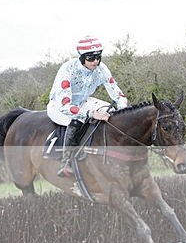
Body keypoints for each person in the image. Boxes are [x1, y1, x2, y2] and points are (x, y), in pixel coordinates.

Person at [48, 36, 129, 176]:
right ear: (81, 57)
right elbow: (65, 105)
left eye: (98, 57)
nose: (95, 61)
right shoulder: (67, 69)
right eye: (91, 58)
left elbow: (118, 95)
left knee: (111, 111)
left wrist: (123, 111)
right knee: (77, 120)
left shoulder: (102, 69)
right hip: (60, 105)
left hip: (83, 101)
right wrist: (91, 114)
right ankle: (65, 163)